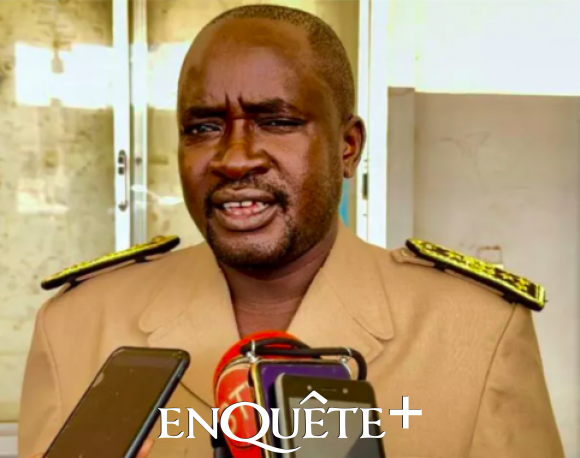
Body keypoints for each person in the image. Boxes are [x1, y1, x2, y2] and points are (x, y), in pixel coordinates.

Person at [19, 4, 564, 458]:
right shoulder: (77, 328)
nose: (234, 158)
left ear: (348, 147)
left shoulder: (478, 332)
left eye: (277, 122)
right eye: (203, 127)